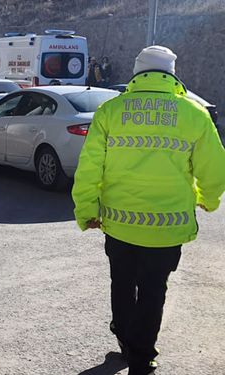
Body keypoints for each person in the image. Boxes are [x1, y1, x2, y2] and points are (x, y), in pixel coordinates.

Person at [72, 45, 225, 375]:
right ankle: (142, 359)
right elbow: (215, 171)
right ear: (172, 73)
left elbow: (89, 169)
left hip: (119, 223)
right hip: (167, 229)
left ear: (136, 72)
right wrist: (207, 200)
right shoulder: (194, 114)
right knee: (154, 291)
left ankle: (126, 340)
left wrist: (86, 210)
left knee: (122, 283)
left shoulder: (111, 111)